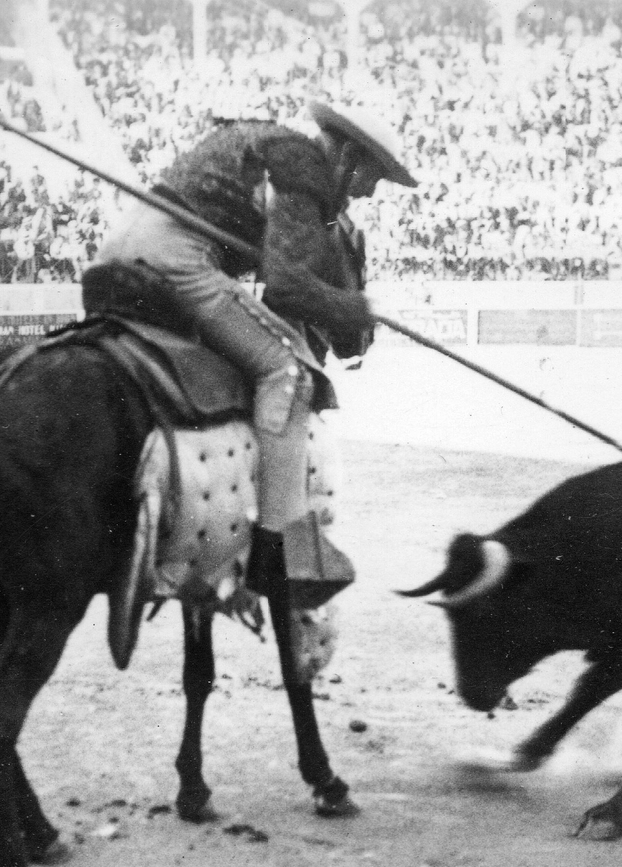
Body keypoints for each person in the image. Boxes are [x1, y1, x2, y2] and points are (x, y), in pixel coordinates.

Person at [91, 101, 415, 597]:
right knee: (288, 371)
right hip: (174, 259)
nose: (370, 190)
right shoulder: (303, 163)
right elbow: (286, 286)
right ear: (348, 153)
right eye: (373, 174)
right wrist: (356, 308)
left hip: (115, 254)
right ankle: (278, 553)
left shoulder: (262, 140)